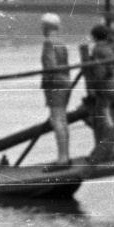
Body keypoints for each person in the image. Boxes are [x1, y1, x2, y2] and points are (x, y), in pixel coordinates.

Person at [39, 12, 72, 166]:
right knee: (63, 120)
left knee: (57, 120)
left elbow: (50, 66)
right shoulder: (62, 42)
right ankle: (65, 155)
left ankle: (62, 158)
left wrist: (47, 82)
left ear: (46, 26)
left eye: (42, 26)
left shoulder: (48, 42)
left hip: (55, 85)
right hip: (65, 82)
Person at [83, 23, 114, 163]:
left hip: (103, 87)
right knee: (104, 115)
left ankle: (110, 150)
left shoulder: (98, 50)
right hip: (110, 85)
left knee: (104, 117)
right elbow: (112, 68)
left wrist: (93, 87)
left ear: (94, 37)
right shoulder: (109, 49)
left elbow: (98, 71)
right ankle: (107, 149)